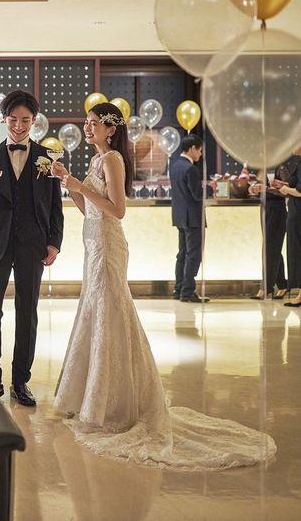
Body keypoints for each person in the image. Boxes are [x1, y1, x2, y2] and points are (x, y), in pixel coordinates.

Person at [51, 102, 275, 469]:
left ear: (110, 129)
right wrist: (70, 185)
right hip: (92, 242)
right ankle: (91, 395)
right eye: (86, 123)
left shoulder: (113, 160)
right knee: (94, 312)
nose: (87, 128)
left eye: (92, 123)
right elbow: (89, 208)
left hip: (108, 245)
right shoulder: (95, 161)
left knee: (110, 312)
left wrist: (79, 187)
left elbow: (117, 210)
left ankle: (115, 402)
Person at [0, 90, 63, 407]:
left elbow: (55, 205)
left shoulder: (47, 158)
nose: (19, 126)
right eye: (13, 120)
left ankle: (20, 381)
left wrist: (54, 242)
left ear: (34, 120)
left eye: (25, 120)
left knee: (27, 312)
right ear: (4, 119)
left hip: (32, 244)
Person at [169, 134, 209, 303]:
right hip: (192, 217)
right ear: (192, 149)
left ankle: (179, 288)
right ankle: (188, 291)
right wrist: (211, 188)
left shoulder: (175, 166)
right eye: (199, 150)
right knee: (193, 255)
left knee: (182, 254)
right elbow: (197, 195)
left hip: (180, 216)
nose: (200, 154)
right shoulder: (190, 169)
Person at [249, 158, 291, 300]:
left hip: (277, 210)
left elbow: (286, 192)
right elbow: (261, 187)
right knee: (273, 248)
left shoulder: (281, 168)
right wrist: (254, 188)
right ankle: (282, 285)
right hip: (265, 209)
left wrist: (265, 189)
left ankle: (266, 288)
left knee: (269, 248)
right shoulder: (263, 169)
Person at [281, 148, 301, 307]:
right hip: (295, 211)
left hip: (298, 213)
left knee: (297, 251)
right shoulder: (298, 162)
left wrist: (286, 190)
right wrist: (283, 185)